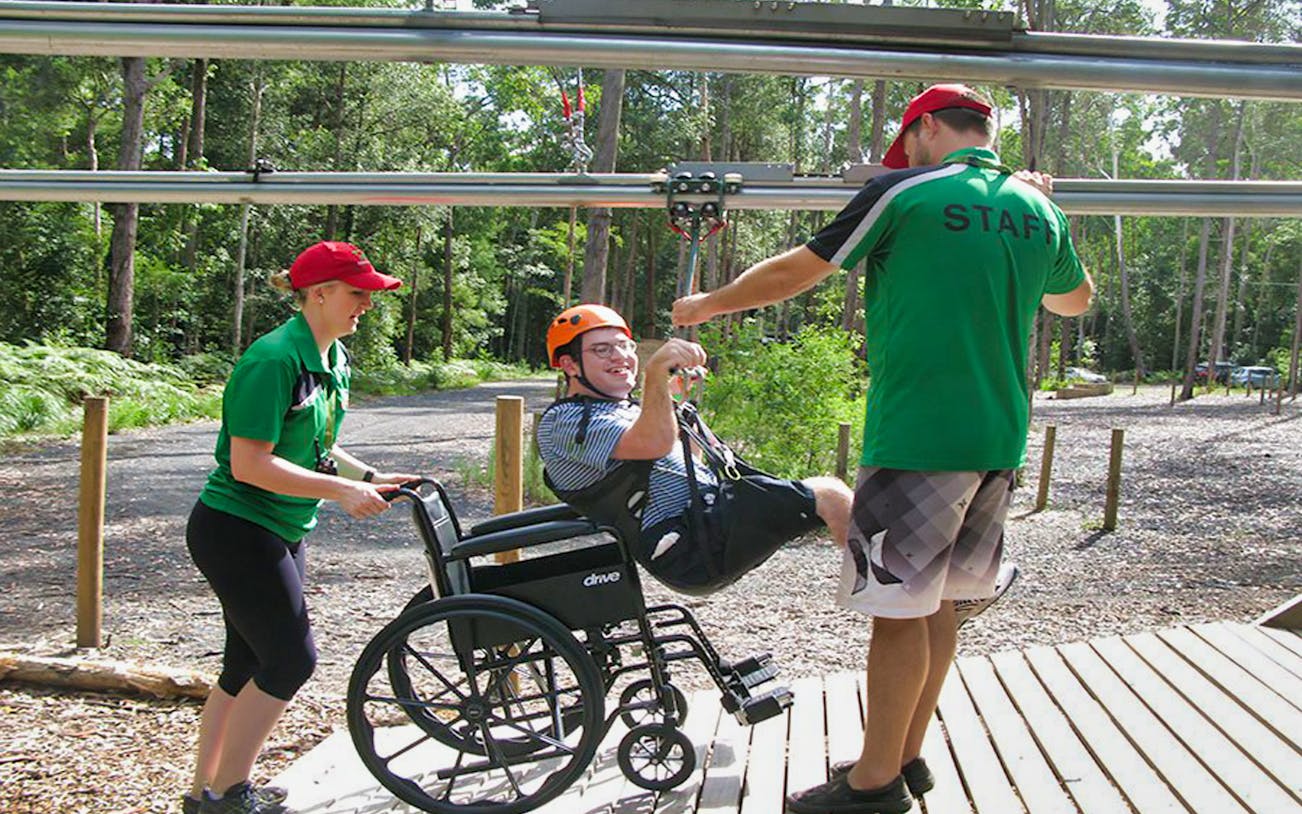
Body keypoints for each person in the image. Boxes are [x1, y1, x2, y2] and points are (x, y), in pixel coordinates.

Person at [673, 84, 1093, 814]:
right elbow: (1074, 300)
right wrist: (1034, 217)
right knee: (941, 606)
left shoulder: (905, 192)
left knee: (898, 610)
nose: (909, 155)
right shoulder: (1037, 208)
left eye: (911, 143)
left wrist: (707, 304)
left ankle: (871, 787)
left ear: (926, 128)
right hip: (997, 438)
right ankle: (903, 757)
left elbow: (801, 268)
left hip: (919, 435)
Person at [536, 303, 1019, 614]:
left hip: (703, 520)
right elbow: (654, 445)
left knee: (828, 493)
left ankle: (908, 586)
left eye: (625, 347)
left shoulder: (617, 410)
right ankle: (910, 593)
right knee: (829, 495)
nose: (621, 357)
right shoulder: (565, 423)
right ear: (569, 365)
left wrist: (671, 397)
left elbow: (672, 448)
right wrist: (656, 375)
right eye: (602, 350)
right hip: (687, 543)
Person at [183, 241, 417, 814]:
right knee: (291, 660)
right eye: (358, 293)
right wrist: (342, 492)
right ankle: (230, 795)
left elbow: (317, 445)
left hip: (281, 527)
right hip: (237, 527)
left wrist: (370, 476)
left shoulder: (331, 357)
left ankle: (205, 792)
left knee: (245, 663)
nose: (367, 304)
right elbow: (250, 464)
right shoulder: (274, 360)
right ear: (318, 294)